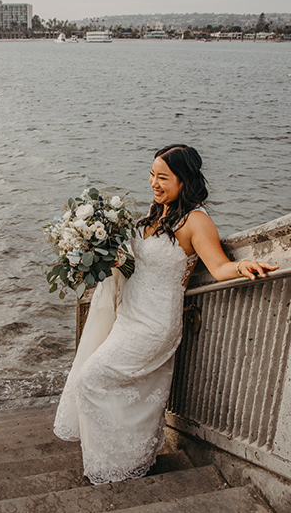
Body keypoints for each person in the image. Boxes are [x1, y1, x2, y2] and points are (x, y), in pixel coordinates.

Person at [54, 144, 278, 485]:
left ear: (184, 180)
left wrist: (242, 264)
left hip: (155, 324)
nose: (153, 183)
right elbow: (137, 265)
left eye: (163, 177)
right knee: (117, 386)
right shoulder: (157, 211)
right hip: (129, 316)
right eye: (152, 174)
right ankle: (125, 457)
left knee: (92, 379)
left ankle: (117, 464)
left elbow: (218, 267)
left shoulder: (196, 221)